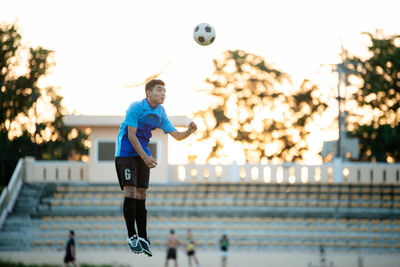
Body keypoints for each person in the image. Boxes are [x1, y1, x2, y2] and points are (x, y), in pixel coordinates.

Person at [115, 79, 197, 257]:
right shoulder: (135, 107)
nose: (163, 93)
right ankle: (132, 236)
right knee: (130, 191)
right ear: (148, 93)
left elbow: (177, 135)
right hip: (125, 153)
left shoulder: (160, 113)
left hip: (143, 155)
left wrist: (189, 131)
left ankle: (143, 236)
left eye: (165, 91)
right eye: (159, 90)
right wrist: (146, 157)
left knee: (142, 193)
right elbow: (131, 135)